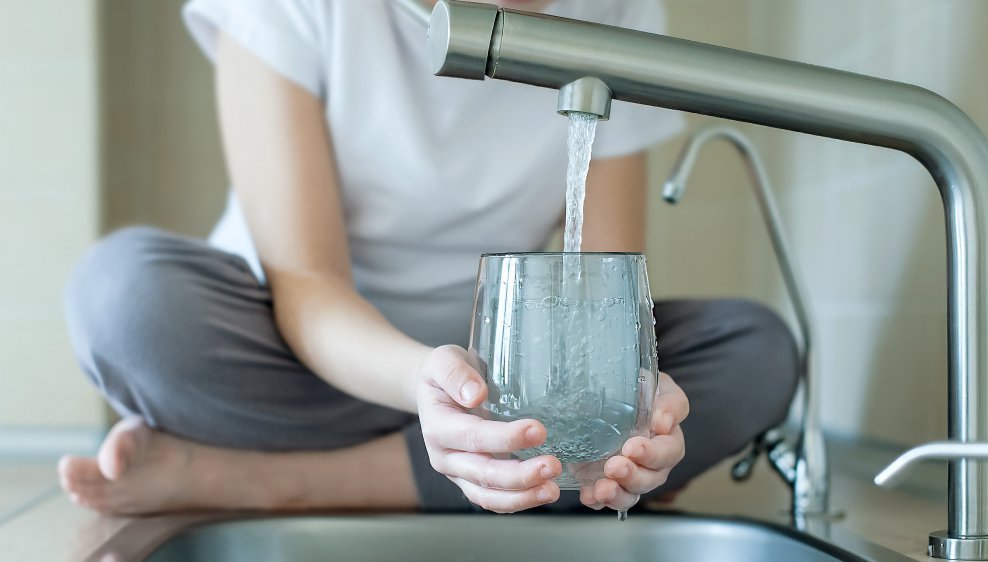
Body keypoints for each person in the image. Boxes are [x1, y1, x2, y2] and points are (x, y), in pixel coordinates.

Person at [57, 0, 797, 515]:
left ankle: (243, 475)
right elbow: (306, 281)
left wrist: (631, 407)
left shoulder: (621, 14)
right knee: (130, 304)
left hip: (499, 381)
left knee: (755, 351)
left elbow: (598, 299)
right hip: (290, 352)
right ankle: (469, 470)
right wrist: (423, 385)